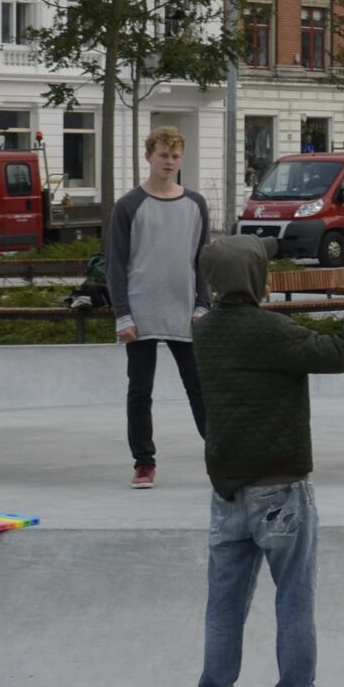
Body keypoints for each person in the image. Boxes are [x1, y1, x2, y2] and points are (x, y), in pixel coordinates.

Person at [192, 236, 344, 687]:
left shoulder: (203, 333)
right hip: (281, 487)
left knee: (224, 602)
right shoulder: (272, 331)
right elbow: (339, 353)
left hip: (226, 490)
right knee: (293, 595)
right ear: (255, 279)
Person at [106, 126, 210, 490]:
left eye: (175, 156)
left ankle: (219, 453)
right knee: (140, 391)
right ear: (148, 156)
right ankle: (144, 463)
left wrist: (203, 306)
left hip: (185, 312)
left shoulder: (196, 204)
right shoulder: (129, 206)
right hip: (141, 312)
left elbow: (203, 261)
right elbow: (116, 264)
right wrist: (123, 314)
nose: (169, 162)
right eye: (163, 154)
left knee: (199, 386)